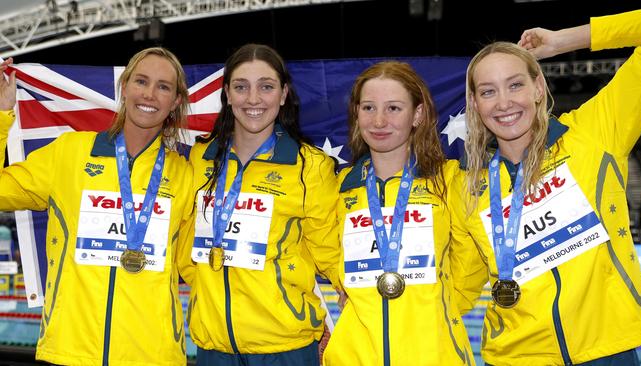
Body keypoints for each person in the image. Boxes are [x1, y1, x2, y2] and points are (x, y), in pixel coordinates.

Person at [455, 8, 641, 366]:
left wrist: (567, 39)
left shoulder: (595, 132)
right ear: (475, 104)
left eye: (515, 84)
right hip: (515, 356)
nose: (504, 102)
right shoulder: (469, 186)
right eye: (488, 91)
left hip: (606, 351)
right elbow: (459, 283)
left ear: (539, 87)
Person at [0, 47, 194, 365]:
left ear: (175, 101)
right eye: (141, 81)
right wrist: (0, 115)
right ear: (124, 87)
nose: (150, 94)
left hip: (153, 356)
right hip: (69, 352)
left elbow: (198, 267)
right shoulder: (70, 153)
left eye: (163, 86)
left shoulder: (185, 175)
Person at [181, 43, 341, 366]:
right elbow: (186, 246)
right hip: (214, 350)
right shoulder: (201, 159)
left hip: (286, 349)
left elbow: (333, 255)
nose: (253, 99)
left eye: (266, 87)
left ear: (283, 94)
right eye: (241, 87)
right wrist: (206, 298)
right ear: (227, 94)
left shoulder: (309, 166)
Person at [322, 61, 479, 366]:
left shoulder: (449, 181)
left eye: (393, 108)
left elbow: (470, 263)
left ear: (417, 114)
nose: (379, 121)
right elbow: (324, 250)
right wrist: (346, 286)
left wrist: (432, 311)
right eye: (368, 108)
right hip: (353, 357)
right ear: (356, 114)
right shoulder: (339, 189)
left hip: (434, 354)